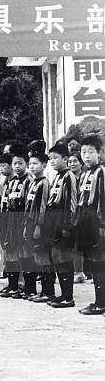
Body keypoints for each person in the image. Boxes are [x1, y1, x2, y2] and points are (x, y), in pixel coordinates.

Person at [44, 143, 77, 308]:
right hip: (53, 221)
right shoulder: (56, 176)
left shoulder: (68, 176)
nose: (52, 161)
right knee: (56, 257)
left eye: (55, 158)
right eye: (50, 158)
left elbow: (71, 202)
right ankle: (63, 294)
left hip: (64, 222)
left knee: (64, 258)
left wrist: (67, 226)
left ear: (65, 159)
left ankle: (68, 297)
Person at [76, 134, 105, 315]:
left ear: (99, 153)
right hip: (85, 221)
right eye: (83, 152)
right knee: (93, 263)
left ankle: (101, 303)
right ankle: (98, 301)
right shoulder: (84, 173)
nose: (86, 156)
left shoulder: (101, 172)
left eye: (91, 152)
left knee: (100, 261)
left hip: (98, 222)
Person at [0, 147, 30, 299]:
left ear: (26, 164)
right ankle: (13, 284)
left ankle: (24, 284)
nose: (17, 166)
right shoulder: (11, 182)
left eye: (20, 163)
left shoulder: (29, 180)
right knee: (10, 251)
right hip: (9, 220)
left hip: (22, 221)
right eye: (15, 163)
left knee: (22, 252)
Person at [22, 152, 50, 301]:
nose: (31, 166)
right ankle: (35, 290)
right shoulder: (32, 182)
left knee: (43, 257)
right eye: (30, 163)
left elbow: (43, 207)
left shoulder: (44, 183)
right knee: (34, 257)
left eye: (35, 163)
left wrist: (39, 226)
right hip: (30, 222)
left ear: (44, 165)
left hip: (39, 224)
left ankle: (48, 292)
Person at [67, 151, 87, 284]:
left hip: (86, 213)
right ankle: (78, 271)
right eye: (70, 161)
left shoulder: (85, 177)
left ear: (81, 163)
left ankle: (82, 271)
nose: (72, 164)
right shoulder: (66, 178)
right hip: (71, 214)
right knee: (74, 243)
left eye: (75, 161)